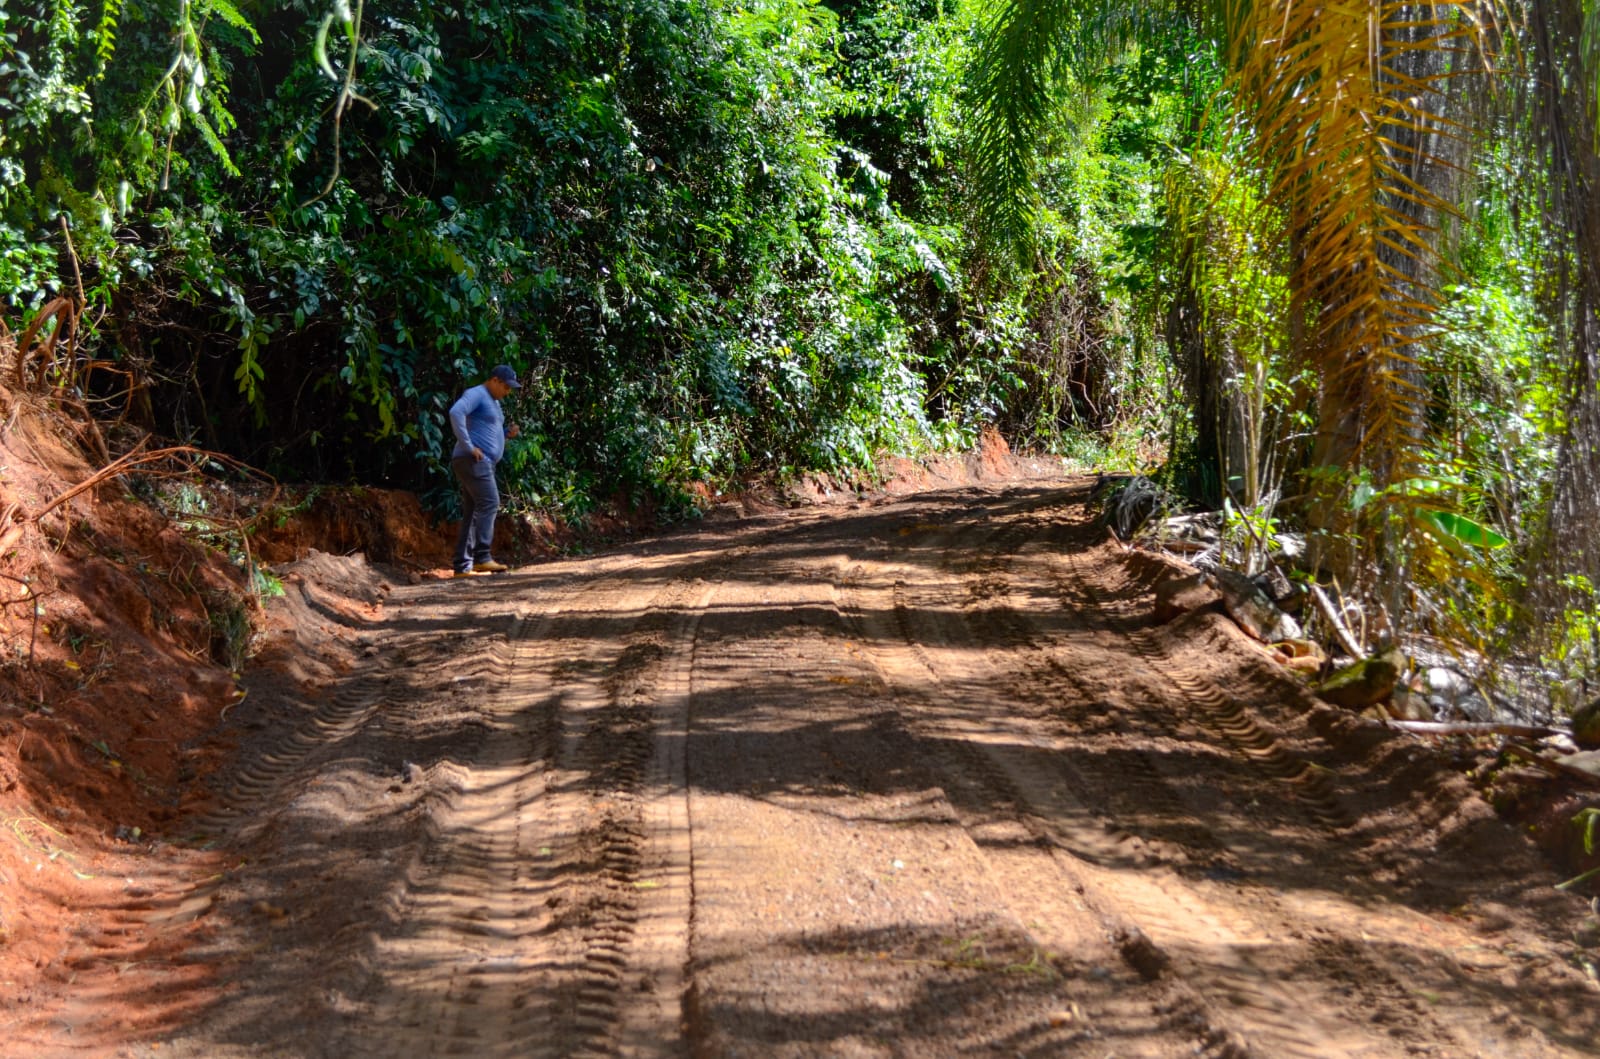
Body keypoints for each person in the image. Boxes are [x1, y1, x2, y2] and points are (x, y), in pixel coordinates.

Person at [448, 364, 521, 577]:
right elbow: (456, 412)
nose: (507, 392)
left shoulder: (494, 403)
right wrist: (469, 446)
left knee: (472, 511)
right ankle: (482, 557)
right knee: (490, 502)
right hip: (472, 460)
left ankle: (462, 566)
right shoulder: (477, 394)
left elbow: (488, 430)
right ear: (495, 380)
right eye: (506, 387)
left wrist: (506, 434)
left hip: (480, 462)